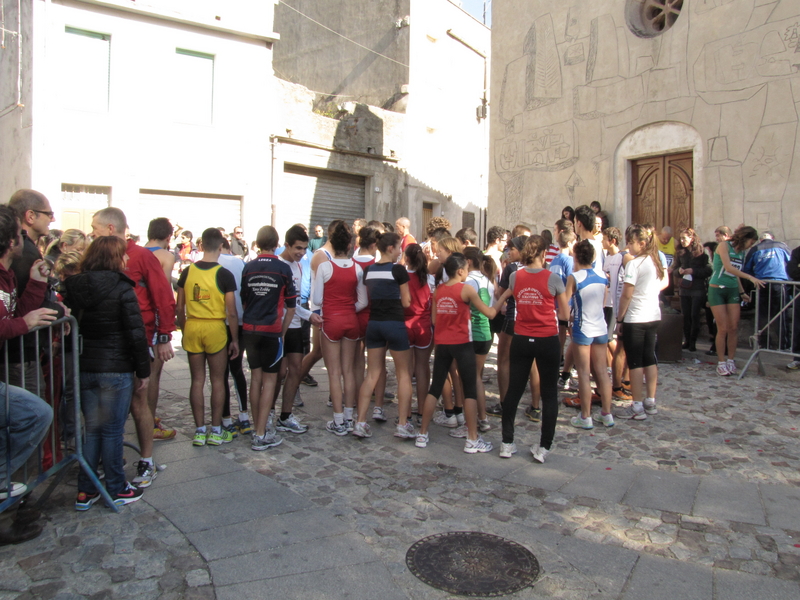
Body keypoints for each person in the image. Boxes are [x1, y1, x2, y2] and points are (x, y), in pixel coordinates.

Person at [63, 236, 150, 509]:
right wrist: (143, 370)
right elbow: (136, 334)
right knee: (111, 431)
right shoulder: (123, 289)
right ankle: (116, 487)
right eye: (123, 255)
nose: (126, 260)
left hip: (86, 368)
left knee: (94, 430)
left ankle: (86, 490)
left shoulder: (74, 287)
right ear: (114, 258)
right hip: (115, 369)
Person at [91, 207, 175, 488]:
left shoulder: (141, 256)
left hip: (138, 339)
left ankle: (146, 461)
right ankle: (109, 461)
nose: (92, 233)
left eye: (96, 228)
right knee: (108, 404)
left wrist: (164, 336)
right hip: (107, 342)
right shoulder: (97, 258)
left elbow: (163, 296)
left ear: (111, 229)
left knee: (139, 401)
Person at [0, 204, 55, 542]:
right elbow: (15, 320)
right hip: (13, 364)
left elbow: (18, 311)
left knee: (32, 414)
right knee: (36, 413)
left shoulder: (7, 274)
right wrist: (25, 323)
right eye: (19, 234)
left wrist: (35, 285)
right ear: (11, 241)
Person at [416, 254, 503, 453]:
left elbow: (435, 320)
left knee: (435, 387)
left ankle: (422, 434)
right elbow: (489, 313)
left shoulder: (439, 290)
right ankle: (472, 439)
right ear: (461, 271)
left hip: (442, 343)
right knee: (469, 390)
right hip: (462, 343)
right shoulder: (466, 290)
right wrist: (503, 298)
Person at [496, 236, 569, 461]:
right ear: (544, 253)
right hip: (547, 339)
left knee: (513, 392)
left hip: (521, 337)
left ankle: (507, 443)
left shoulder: (516, 276)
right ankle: (544, 447)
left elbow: (506, 296)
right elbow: (565, 314)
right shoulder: (554, 278)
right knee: (549, 394)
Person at [176, 228, 239, 446]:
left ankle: (199, 430)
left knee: (197, 380)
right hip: (215, 328)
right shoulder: (224, 274)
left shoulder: (187, 271)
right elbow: (231, 312)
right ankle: (215, 429)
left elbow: (179, 307)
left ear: (201, 246)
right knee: (218, 380)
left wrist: (185, 329)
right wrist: (235, 339)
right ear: (221, 247)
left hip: (193, 325)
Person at [352, 231, 416, 440]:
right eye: (399, 247)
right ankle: (403, 424)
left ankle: (360, 422)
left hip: (374, 324)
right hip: (395, 323)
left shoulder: (369, 270)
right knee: (403, 374)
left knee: (372, 374)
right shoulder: (398, 270)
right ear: (391, 249)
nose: (400, 251)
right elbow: (406, 302)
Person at [240, 226, 298, 450]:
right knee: (270, 381)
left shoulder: (248, 267)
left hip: (250, 328)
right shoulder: (283, 269)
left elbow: (244, 300)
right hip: (272, 330)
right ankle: (262, 434)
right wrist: (282, 332)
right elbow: (291, 307)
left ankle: (257, 428)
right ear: (277, 244)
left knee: (255, 379)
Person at [312, 221, 367, 435]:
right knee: (349, 371)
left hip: (331, 321)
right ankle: (349, 415)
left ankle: (338, 421)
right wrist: (347, 307)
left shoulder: (325, 266)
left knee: (333, 372)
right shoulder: (357, 268)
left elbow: (317, 299)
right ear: (350, 245)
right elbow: (362, 301)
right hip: (351, 320)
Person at [613, 225, 669, 420]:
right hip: (652, 315)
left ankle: (636, 405)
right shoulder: (655, 262)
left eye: (630, 242)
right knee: (649, 358)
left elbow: (626, 294)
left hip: (636, 317)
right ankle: (650, 401)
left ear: (642, 243)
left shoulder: (635, 264)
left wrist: (620, 318)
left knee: (635, 361)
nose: (627, 246)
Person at [566, 240, 613, 430]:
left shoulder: (574, 277)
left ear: (576, 257)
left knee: (584, 373)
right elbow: (603, 301)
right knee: (602, 372)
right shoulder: (603, 276)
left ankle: (585, 416)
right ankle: (607, 413)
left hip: (582, 327)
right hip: (600, 326)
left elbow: (567, 301)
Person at [278, 225, 321, 421]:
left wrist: (309, 315)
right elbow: (285, 304)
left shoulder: (299, 265)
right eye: (297, 248)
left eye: (304, 248)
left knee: (295, 370)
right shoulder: (279, 265)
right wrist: (308, 314)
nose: (302, 253)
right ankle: (269, 412)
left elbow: (294, 302)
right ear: (286, 245)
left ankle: (286, 414)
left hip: (295, 324)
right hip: (279, 327)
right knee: (278, 373)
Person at [708, 226, 763, 376]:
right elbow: (728, 267)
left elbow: (736, 274)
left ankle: (731, 360)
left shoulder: (742, 252)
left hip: (732, 289)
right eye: (751, 242)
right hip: (717, 288)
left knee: (734, 326)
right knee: (723, 327)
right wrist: (750, 277)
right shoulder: (724, 245)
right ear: (746, 238)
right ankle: (721, 362)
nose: (751, 245)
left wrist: (742, 292)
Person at [143, 218, 178, 442]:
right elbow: (163, 292)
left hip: (136, 319)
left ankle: (140, 416)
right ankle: (150, 421)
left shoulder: (134, 253)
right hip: (154, 321)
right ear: (168, 237)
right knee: (153, 375)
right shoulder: (165, 256)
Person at [217, 238, 249, 435]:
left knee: (220, 373)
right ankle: (244, 415)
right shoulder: (240, 263)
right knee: (237, 370)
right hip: (240, 321)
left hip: (220, 323)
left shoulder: (213, 263)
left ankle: (226, 417)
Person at [743, 234, 792, 350]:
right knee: (781, 314)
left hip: (761, 284)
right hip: (779, 284)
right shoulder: (781, 246)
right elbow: (792, 262)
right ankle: (783, 344)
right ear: (773, 238)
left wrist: (754, 280)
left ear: (760, 240)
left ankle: (764, 343)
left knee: (762, 315)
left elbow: (747, 269)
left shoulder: (755, 249)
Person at [403, 243, 433, 420]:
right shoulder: (428, 278)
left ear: (406, 258)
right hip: (423, 327)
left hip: (405, 326)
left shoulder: (401, 277)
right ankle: (422, 409)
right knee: (422, 368)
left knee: (405, 371)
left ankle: (405, 411)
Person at [675, 228, 711, 352]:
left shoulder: (702, 253)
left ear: (692, 238)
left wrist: (693, 271)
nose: (682, 241)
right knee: (685, 316)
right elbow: (674, 269)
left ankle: (693, 342)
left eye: (684, 238)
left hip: (697, 288)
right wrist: (679, 271)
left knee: (694, 315)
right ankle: (687, 340)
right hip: (684, 288)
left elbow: (708, 270)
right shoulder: (680, 253)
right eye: (681, 238)